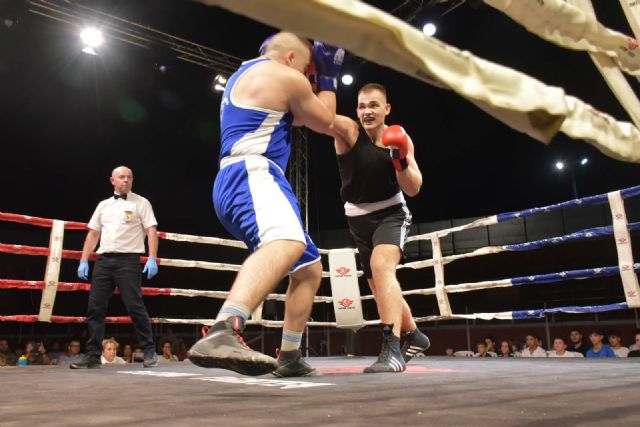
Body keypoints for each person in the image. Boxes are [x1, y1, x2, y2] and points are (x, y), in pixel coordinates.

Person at [187, 32, 350, 377]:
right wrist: (329, 78)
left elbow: (308, 116)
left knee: (308, 269)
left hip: (246, 176)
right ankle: (224, 329)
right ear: (292, 58)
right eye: (307, 71)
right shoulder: (283, 75)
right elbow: (324, 120)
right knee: (286, 243)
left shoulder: (249, 76)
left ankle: (289, 355)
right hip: (253, 172)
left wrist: (317, 85)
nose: (307, 79)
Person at [330, 82, 429, 373]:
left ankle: (392, 348)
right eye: (362, 106)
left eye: (373, 105)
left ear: (386, 109)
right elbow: (323, 117)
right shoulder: (349, 132)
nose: (367, 111)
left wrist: (399, 161)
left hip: (391, 213)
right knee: (377, 285)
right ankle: (415, 334)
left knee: (382, 266)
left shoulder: (398, 138)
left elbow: (414, 188)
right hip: (356, 218)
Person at [71, 166, 159, 369]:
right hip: (103, 261)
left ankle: (149, 351)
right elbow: (93, 234)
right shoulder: (103, 205)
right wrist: (84, 259)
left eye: (129, 177)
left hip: (128, 261)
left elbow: (151, 231)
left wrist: (151, 258)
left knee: (135, 306)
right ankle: (93, 356)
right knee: (95, 308)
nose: (126, 180)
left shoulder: (141, 202)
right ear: (112, 180)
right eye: (122, 177)